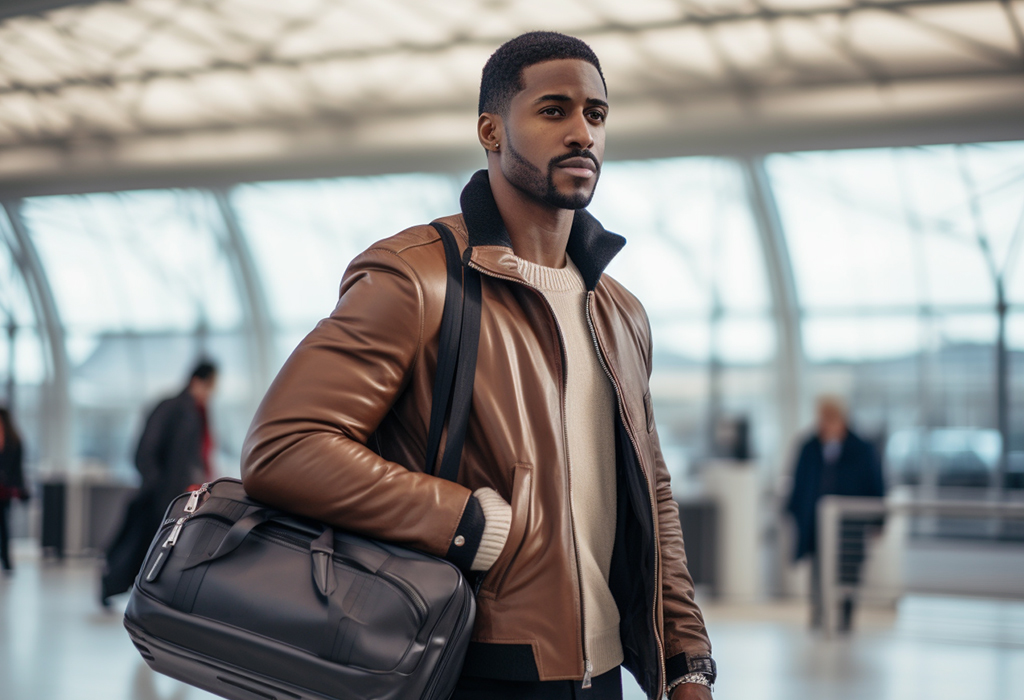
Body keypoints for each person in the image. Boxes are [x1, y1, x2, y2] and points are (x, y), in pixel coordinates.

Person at [242, 32, 715, 700]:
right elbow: (284, 447)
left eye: (597, 114)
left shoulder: (620, 312)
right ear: (491, 131)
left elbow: (652, 493)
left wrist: (686, 658)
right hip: (470, 660)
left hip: (605, 675)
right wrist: (463, 522)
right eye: (554, 110)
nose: (582, 132)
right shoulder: (417, 277)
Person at [100, 360, 217, 606]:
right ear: (198, 381)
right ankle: (113, 584)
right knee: (145, 544)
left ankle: (131, 589)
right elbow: (147, 449)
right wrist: (156, 484)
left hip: (175, 493)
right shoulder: (175, 408)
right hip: (163, 493)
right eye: (211, 386)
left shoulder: (193, 412)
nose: (212, 393)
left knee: (151, 546)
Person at [786, 395, 885, 631]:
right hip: (816, 523)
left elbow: (875, 485)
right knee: (819, 570)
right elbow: (799, 484)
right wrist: (794, 514)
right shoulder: (809, 446)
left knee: (848, 572)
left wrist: (878, 520)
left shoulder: (861, 448)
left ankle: (844, 617)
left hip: (850, 524)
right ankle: (820, 614)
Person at [0, 407, 28, 574]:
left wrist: (18, 486)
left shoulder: (14, 441)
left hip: (4, 490)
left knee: (4, 525)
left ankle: (7, 561)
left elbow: (17, 468)